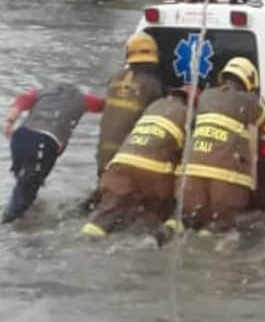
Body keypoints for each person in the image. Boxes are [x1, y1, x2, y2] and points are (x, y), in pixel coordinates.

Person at [158, 57, 265, 243]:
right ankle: (205, 241)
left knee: (187, 215)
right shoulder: (247, 100)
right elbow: (262, 115)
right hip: (225, 178)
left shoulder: (206, 95)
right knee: (218, 223)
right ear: (248, 81)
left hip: (190, 174)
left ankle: (169, 228)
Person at [81, 86, 191, 238]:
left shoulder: (154, 107)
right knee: (157, 214)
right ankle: (155, 238)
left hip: (119, 165)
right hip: (152, 173)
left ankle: (90, 233)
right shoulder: (188, 114)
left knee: (109, 211)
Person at [1, 83, 105, 223]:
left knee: (24, 181)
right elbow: (104, 105)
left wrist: (9, 121)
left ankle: (21, 214)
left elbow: (22, 100)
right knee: (29, 185)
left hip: (20, 137)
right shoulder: (82, 99)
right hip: (44, 141)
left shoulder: (41, 92)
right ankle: (9, 224)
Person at [84, 31, 165, 211]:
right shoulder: (153, 85)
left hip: (103, 155)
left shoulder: (114, 78)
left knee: (105, 196)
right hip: (129, 157)